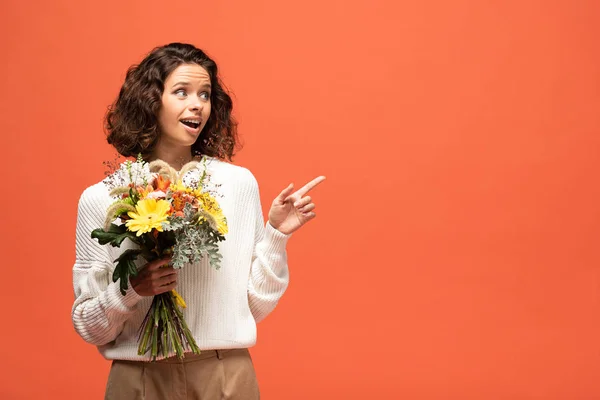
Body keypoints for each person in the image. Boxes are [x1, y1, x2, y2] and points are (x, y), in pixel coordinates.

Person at [71, 42, 325, 400]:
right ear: (150, 101)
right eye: (181, 92)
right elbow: (89, 326)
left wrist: (275, 235)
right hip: (139, 378)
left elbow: (253, 305)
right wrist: (131, 289)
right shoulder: (103, 197)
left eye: (205, 94)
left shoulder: (237, 185)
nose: (197, 104)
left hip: (224, 375)